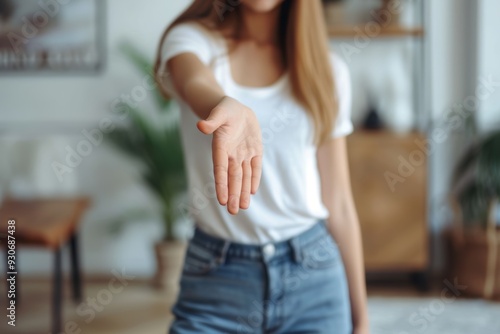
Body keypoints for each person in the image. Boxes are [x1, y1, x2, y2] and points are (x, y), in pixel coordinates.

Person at [155, 0, 369, 333]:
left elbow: (339, 203)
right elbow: (193, 81)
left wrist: (362, 317)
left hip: (313, 274)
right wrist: (223, 104)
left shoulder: (328, 70)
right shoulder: (193, 42)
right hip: (217, 278)